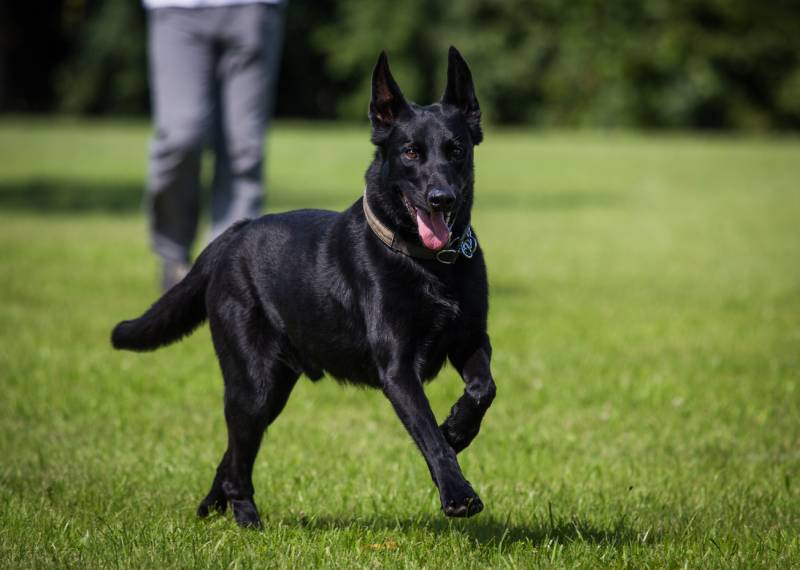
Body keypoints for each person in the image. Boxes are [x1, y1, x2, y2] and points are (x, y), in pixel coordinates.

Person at [142, 0, 285, 289]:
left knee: (243, 150)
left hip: (254, 7)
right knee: (180, 136)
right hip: (175, 9)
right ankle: (174, 257)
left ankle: (227, 268)